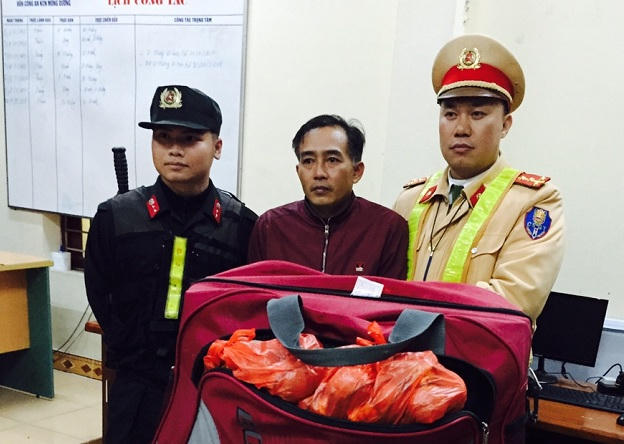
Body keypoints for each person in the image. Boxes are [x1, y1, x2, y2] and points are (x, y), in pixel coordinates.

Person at [84, 85, 257, 443]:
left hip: (208, 384)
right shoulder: (117, 216)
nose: (174, 150)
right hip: (137, 384)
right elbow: (99, 288)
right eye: (163, 138)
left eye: (190, 139)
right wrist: (127, 346)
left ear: (217, 147)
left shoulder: (240, 225)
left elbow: (246, 308)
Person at [393, 34, 565, 323]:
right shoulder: (411, 200)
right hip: (399, 349)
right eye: (450, 114)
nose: (461, 128)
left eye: (477, 114)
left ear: (505, 125)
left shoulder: (533, 201)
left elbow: (513, 301)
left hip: (474, 350)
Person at [248, 114, 408, 278]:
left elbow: (392, 294)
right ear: (298, 171)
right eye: (308, 161)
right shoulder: (271, 227)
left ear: (356, 171)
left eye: (332, 160)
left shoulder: (386, 228)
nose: (319, 173)